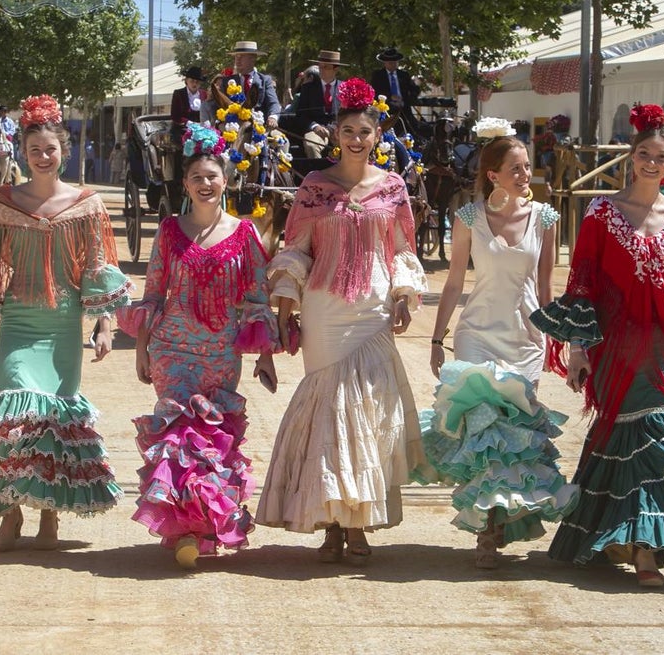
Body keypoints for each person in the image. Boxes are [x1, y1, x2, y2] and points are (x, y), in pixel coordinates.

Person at [530, 103, 664, 587]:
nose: (652, 162)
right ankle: (638, 547)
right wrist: (579, 350)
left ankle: (641, 546)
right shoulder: (602, 212)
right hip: (617, 348)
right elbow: (582, 282)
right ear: (631, 157)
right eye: (644, 153)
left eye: (661, 156)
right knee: (630, 438)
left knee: (662, 437)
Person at [255, 78, 429, 565]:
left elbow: (400, 250)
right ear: (336, 133)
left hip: (372, 310)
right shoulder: (314, 187)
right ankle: (329, 521)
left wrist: (402, 295)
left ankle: (356, 524)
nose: (356, 138)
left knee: (368, 415)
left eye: (364, 131)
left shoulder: (393, 188)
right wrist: (285, 312)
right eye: (347, 129)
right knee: (331, 412)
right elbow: (295, 250)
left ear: (377, 136)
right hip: (325, 312)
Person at [0, 93, 130, 551]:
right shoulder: (3, 202)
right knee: (13, 413)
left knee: (53, 420)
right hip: (18, 321)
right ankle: (10, 516)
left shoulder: (86, 204)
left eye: (50, 149)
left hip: (63, 325)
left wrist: (104, 325)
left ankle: (49, 518)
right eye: (35, 150)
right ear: (23, 153)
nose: (43, 156)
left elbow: (96, 264)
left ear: (63, 152)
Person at [415, 120, 578, 569]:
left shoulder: (546, 218)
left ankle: (499, 518)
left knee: (515, 437)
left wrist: (561, 339)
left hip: (525, 339)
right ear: (492, 174)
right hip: (476, 336)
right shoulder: (467, 218)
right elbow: (451, 285)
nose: (526, 175)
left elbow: (546, 288)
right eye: (516, 168)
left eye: (528, 167)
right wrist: (436, 338)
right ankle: (487, 530)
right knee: (484, 430)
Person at [123, 122, 279, 570]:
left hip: (221, 353)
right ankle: (185, 530)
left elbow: (256, 299)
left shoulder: (246, 234)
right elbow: (153, 293)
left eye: (212, 176)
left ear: (225, 180)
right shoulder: (170, 231)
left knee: (213, 441)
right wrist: (142, 350)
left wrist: (265, 357)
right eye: (196, 177)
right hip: (173, 350)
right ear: (185, 184)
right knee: (176, 439)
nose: (205, 184)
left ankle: (205, 525)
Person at [202, 41, 282, 131]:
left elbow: (273, 103)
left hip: (260, 128)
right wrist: (219, 123)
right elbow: (217, 107)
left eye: (242, 56)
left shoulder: (265, 80)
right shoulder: (226, 81)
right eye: (236, 56)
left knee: (283, 144)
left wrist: (273, 118)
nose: (238, 60)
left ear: (253, 58)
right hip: (232, 129)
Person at [293, 49, 347, 157]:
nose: (321, 70)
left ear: (336, 69)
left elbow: (349, 114)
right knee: (311, 144)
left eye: (326, 67)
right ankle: (316, 172)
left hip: (340, 130)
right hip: (317, 131)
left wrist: (335, 127)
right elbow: (301, 115)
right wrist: (315, 126)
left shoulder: (345, 88)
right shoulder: (308, 88)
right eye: (320, 66)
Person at [369, 47, 420, 132]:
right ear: (385, 63)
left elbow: (415, 90)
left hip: (404, 110)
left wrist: (406, 100)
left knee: (415, 128)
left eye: (395, 62)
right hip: (386, 110)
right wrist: (390, 97)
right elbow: (374, 92)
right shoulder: (378, 75)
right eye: (390, 62)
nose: (392, 64)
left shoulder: (404, 75)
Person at [170, 66, 207, 144]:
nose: (194, 84)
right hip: (182, 129)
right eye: (192, 81)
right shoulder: (178, 94)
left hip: (201, 130)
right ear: (186, 80)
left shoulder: (204, 94)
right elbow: (175, 116)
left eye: (197, 82)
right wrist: (190, 124)